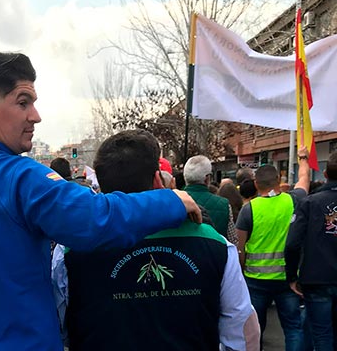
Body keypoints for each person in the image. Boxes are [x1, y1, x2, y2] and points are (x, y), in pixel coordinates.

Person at [0, 50, 202, 350]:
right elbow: (95, 219)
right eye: (23, 102)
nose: (36, 116)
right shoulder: (18, 177)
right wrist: (171, 200)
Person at [57, 129, 259, 350]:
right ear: (157, 180)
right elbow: (242, 334)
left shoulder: (70, 249)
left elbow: (59, 325)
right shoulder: (216, 244)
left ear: (101, 186)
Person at [236, 146, 310, 351]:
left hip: (256, 280)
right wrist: (303, 158)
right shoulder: (293, 200)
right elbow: (304, 180)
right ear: (279, 181)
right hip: (287, 279)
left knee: (254, 331)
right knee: (293, 329)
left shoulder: (248, 209)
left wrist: (241, 274)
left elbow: (240, 248)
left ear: (256, 184)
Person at [285, 151, 337, 350]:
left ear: (325, 174)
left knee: (322, 335)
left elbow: (292, 243)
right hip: (319, 278)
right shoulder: (310, 202)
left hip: (317, 277)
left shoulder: (310, 203)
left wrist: (291, 276)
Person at [184, 155, 238, 244]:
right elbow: (233, 240)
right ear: (207, 178)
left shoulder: (174, 202)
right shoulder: (224, 205)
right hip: (216, 254)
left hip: (181, 255)